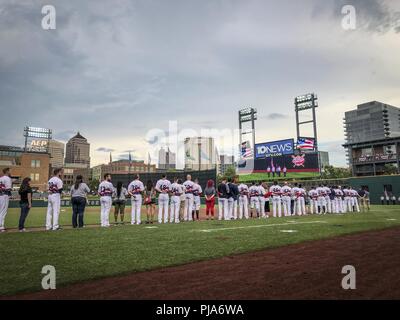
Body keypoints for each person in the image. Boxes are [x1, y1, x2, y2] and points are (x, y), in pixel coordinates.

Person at [0, 168, 12, 232]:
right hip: (4, 196)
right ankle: (1, 226)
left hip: (0, 196)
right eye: (10, 170)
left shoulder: (1, 178)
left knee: (0, 211)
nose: (11, 172)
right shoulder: (8, 178)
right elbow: (8, 189)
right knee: (3, 211)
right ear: (7, 171)